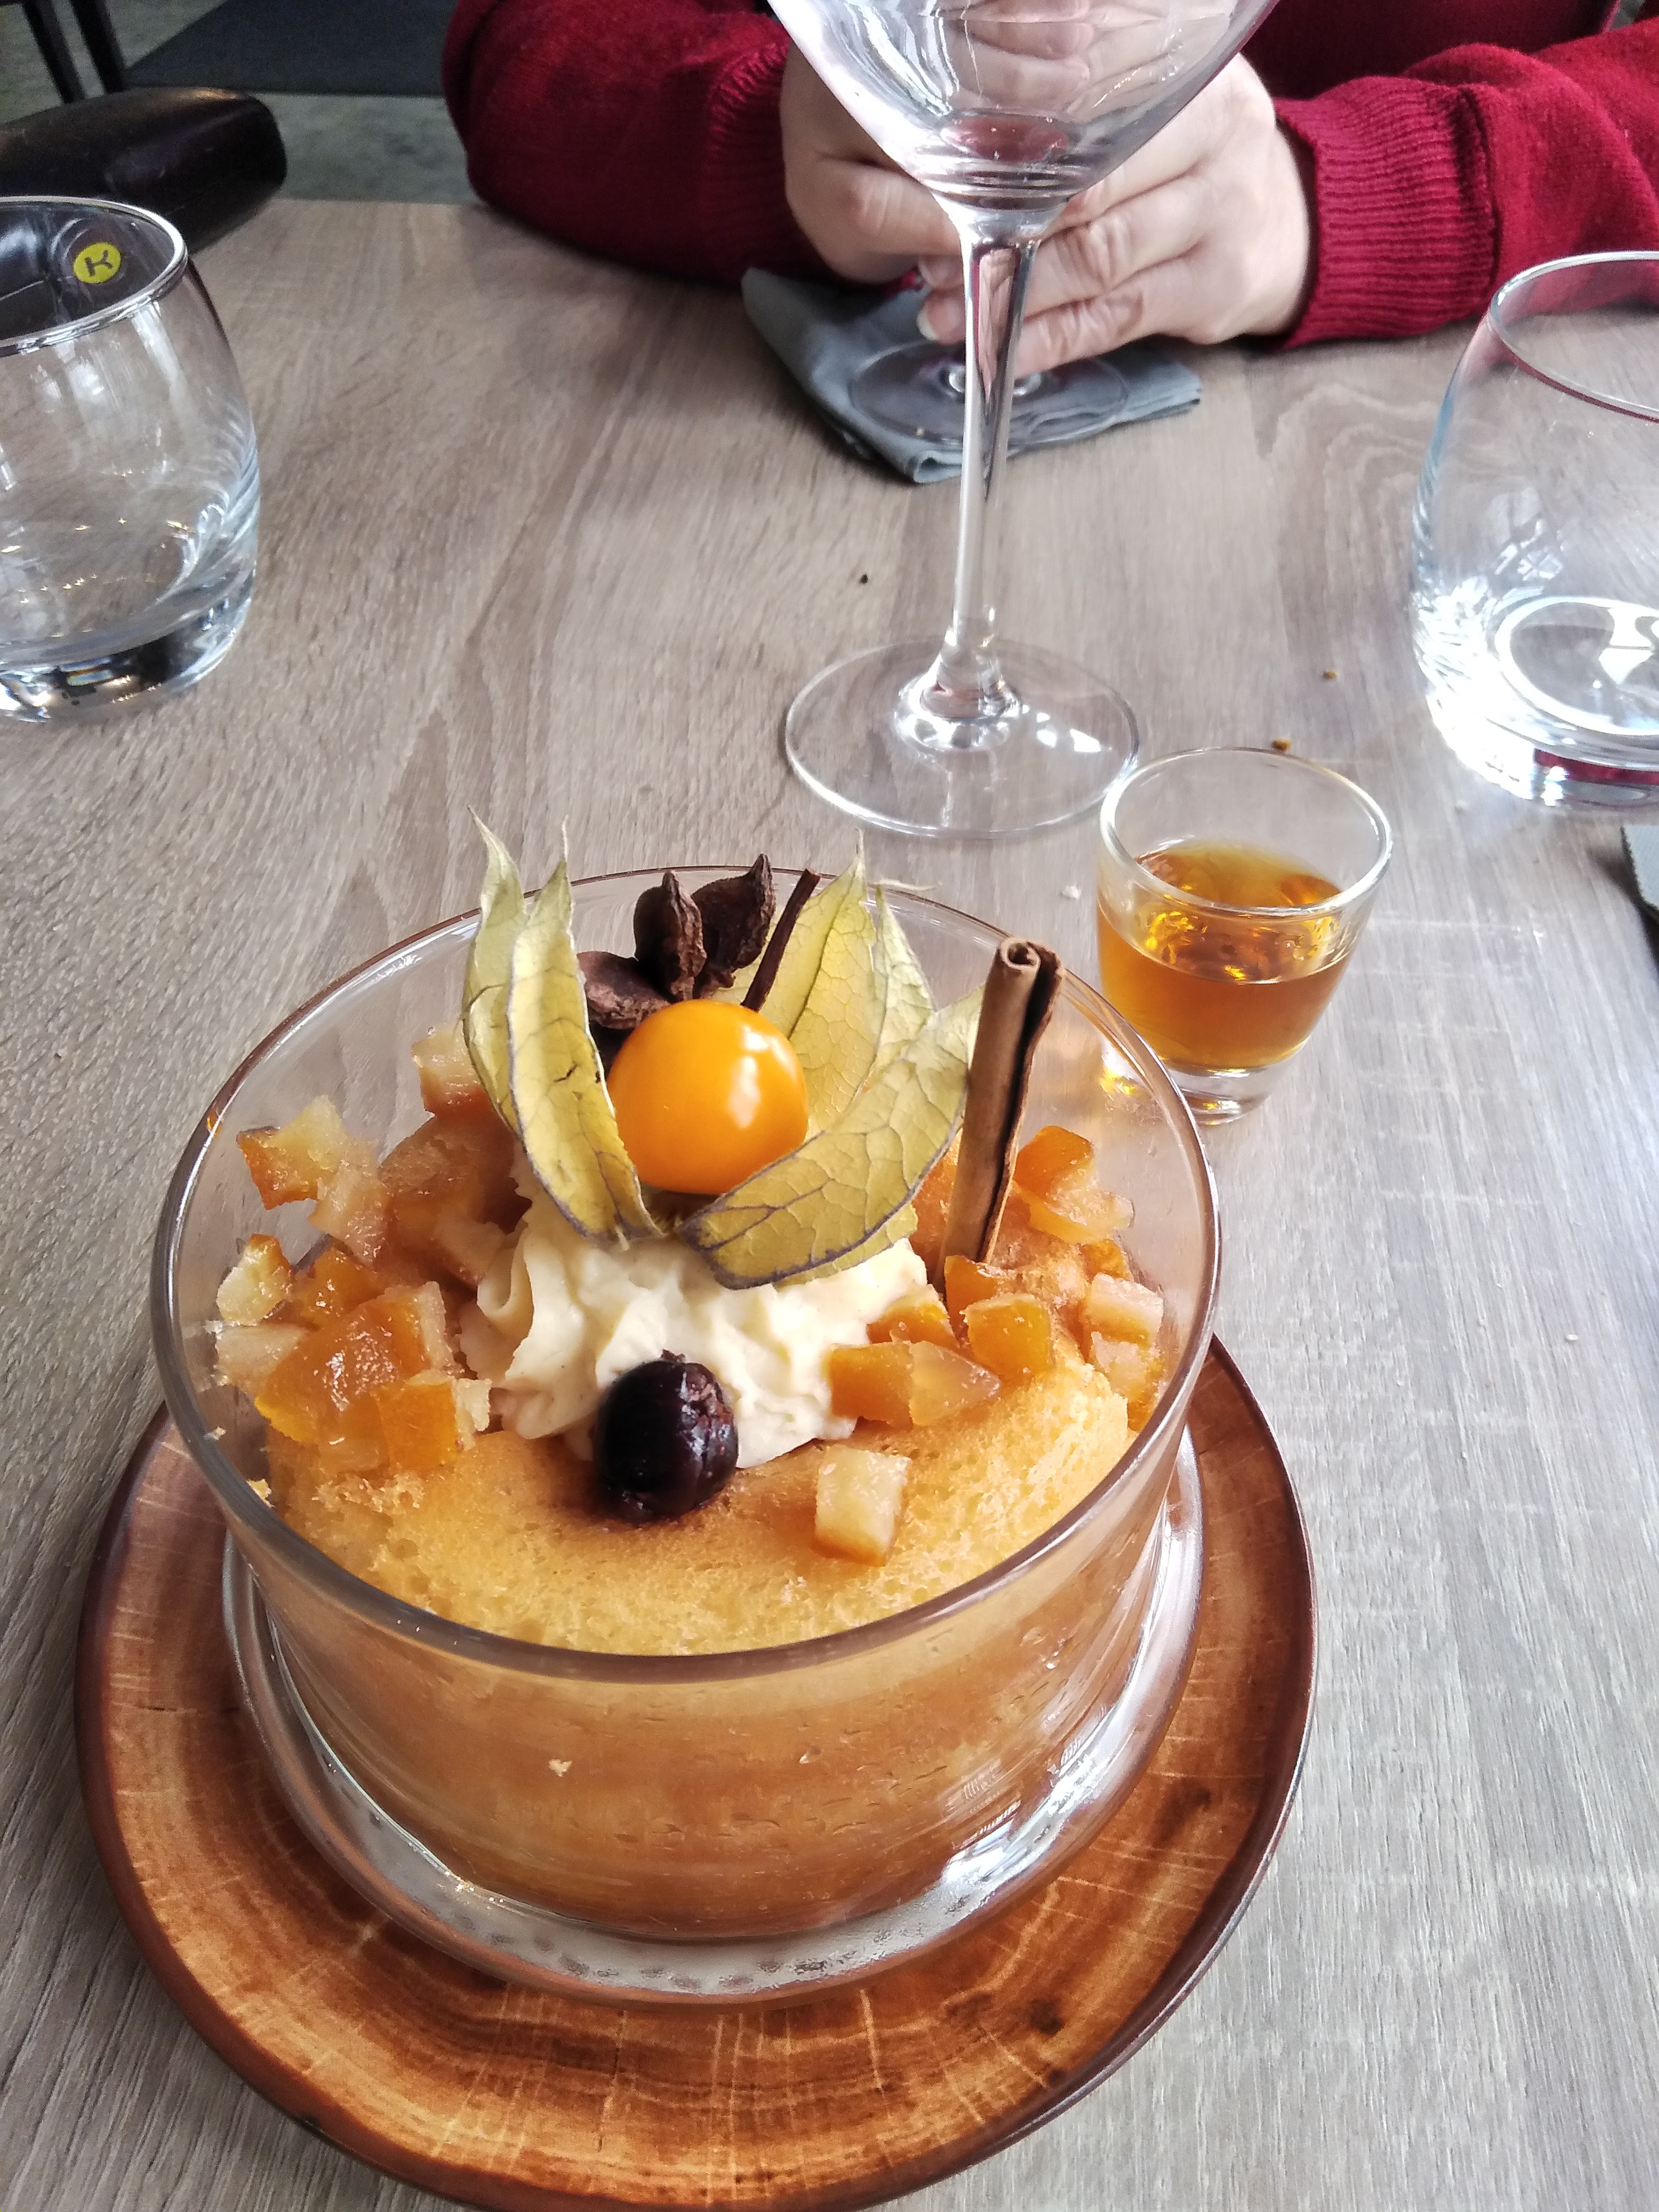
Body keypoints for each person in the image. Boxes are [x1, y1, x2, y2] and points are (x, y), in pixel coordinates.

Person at [442, 0, 1659, 362]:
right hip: (742, 412)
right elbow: (521, 41)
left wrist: (1393, 185)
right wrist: (773, 130)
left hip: (1431, 433)